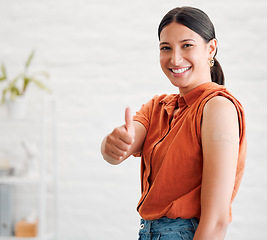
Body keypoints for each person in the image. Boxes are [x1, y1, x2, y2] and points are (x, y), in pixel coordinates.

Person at [101, 6, 247, 240]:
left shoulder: (218, 107)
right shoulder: (157, 107)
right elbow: (119, 150)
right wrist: (111, 145)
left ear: (211, 49)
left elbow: (217, 220)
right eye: (165, 48)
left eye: (187, 45)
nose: (175, 58)